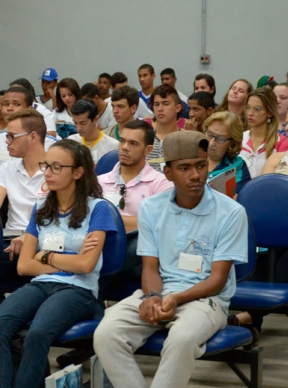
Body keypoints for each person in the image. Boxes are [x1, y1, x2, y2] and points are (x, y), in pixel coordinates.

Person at [93, 130, 248, 388]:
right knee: (106, 333)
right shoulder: (152, 208)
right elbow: (150, 268)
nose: (196, 175)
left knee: (182, 339)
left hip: (207, 299)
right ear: (168, 173)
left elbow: (218, 280)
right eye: (184, 168)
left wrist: (175, 299)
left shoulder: (231, 212)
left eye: (201, 165)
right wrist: (153, 296)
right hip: (161, 291)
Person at [0, 139, 117, 387]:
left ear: (78, 172)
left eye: (57, 167)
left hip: (79, 289)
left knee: (37, 333)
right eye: (46, 165)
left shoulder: (98, 209)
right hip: (41, 284)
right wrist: (70, 261)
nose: (48, 173)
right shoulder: (41, 207)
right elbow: (24, 266)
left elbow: (87, 266)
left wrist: (44, 255)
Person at [230, 101, 288, 332]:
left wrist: (279, 206)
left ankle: (251, 316)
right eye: (285, 123)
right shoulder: (276, 158)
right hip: (271, 232)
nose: (286, 127)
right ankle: (252, 320)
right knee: (256, 262)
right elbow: (260, 199)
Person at [97, 120, 173, 294]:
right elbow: (88, 221)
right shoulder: (99, 182)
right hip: (101, 246)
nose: (124, 147)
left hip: (143, 259)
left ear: (148, 150)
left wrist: (107, 221)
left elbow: (157, 226)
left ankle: (85, 289)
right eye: (122, 141)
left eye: (133, 143)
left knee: (141, 241)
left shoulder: (162, 184)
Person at [0, 109, 48, 295]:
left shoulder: (57, 168)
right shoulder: (6, 168)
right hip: (10, 238)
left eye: (12, 136)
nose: (7, 141)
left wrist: (30, 237)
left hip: (45, 239)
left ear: (33, 137)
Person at [0, 86, 58, 188]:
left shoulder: (51, 144)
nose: (9, 108)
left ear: (29, 110)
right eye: (6, 104)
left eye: (16, 104)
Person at [239, 87, 288, 178]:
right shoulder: (239, 138)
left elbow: (283, 177)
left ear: (269, 112)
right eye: (248, 108)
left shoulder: (282, 143)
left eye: (257, 109)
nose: (250, 113)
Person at [203, 111, 251, 194]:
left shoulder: (238, 165)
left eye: (220, 139)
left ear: (232, 142)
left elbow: (239, 198)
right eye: (210, 135)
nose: (211, 143)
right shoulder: (191, 157)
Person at [146, 85, 181, 171]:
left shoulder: (187, 140)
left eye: (166, 104)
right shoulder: (144, 140)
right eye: (156, 104)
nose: (160, 109)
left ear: (178, 108)